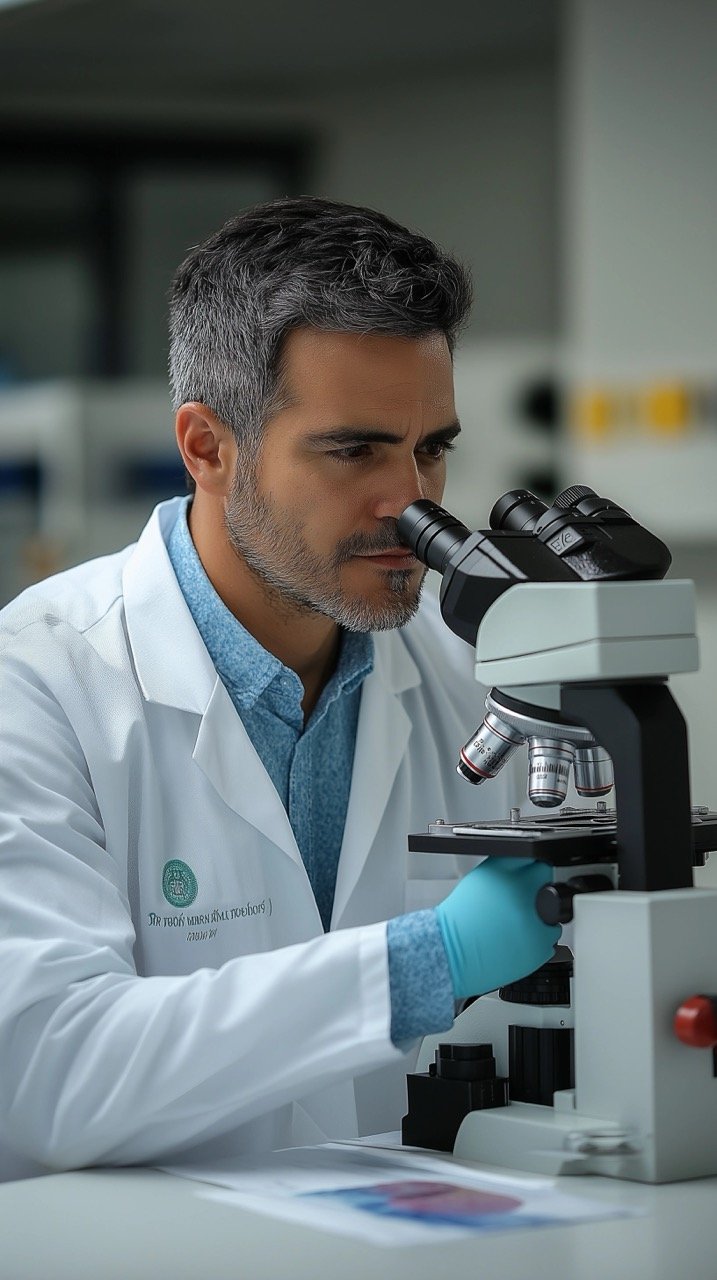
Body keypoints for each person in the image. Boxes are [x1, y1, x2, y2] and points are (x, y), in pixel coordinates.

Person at [0, 197, 559, 1181]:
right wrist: (423, 963)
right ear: (207, 446)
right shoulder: (37, 682)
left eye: (434, 447)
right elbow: (44, 1073)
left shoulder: (472, 669)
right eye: (355, 450)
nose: (415, 502)